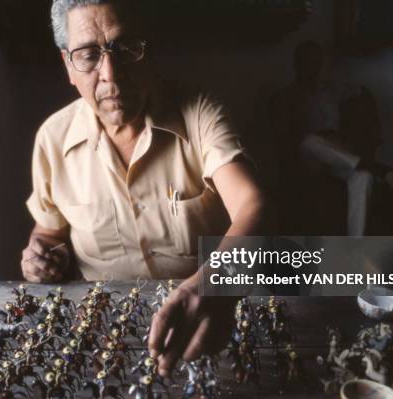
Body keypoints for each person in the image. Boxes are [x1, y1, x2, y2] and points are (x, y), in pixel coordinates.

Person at [21, 0, 264, 375]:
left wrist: (213, 286)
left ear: (149, 51)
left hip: (208, 321)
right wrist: (43, 255)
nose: (111, 75)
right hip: (104, 332)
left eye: (127, 49)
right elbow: (49, 231)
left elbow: (254, 206)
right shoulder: (52, 139)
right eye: (88, 55)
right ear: (68, 65)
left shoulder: (199, 112)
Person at [271, 41, 393, 236]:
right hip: (309, 157)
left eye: (316, 61)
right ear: (297, 64)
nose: (313, 66)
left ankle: (355, 244)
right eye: (308, 61)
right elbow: (284, 134)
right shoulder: (288, 95)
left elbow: (364, 93)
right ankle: (380, 169)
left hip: (338, 152)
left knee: (364, 177)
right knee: (310, 141)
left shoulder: (333, 89)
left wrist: (370, 123)